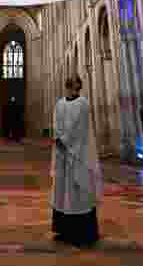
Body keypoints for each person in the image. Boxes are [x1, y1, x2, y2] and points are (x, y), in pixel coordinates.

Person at [50, 74, 103, 247]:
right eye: (71, 84)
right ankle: (65, 230)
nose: (73, 87)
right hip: (63, 154)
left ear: (79, 86)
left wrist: (64, 140)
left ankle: (83, 233)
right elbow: (56, 123)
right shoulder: (60, 103)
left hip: (78, 154)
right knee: (63, 192)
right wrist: (58, 138)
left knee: (78, 192)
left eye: (75, 84)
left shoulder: (83, 104)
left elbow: (80, 128)